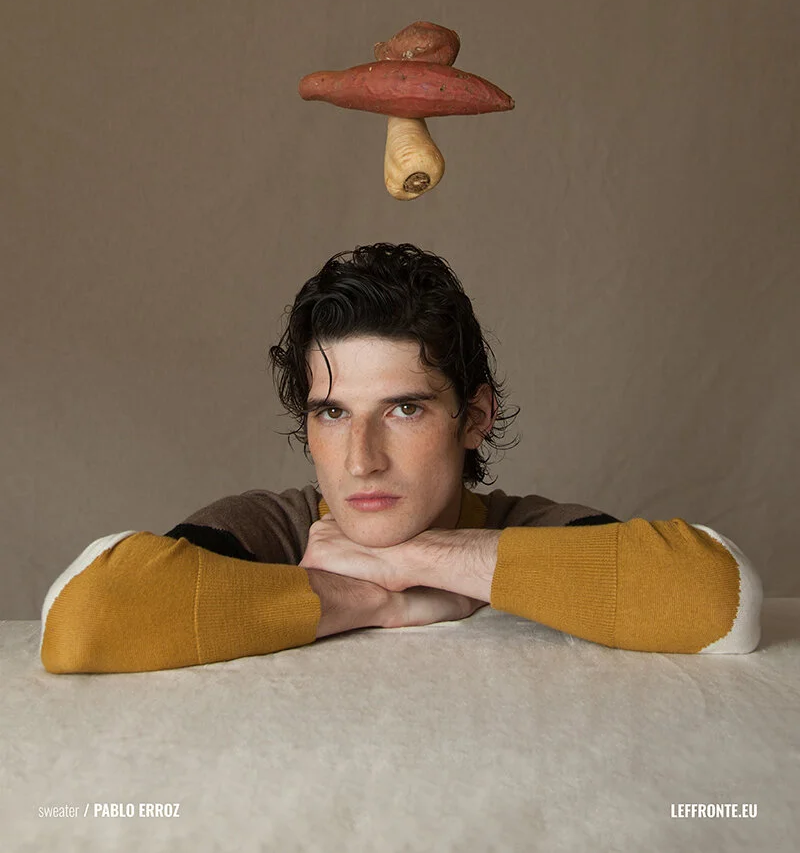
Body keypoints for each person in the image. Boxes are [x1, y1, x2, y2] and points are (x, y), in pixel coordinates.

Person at [39, 243, 762, 674]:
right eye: (333, 413)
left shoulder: (526, 532)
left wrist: (423, 558)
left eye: (403, 409)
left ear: (474, 417)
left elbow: (716, 602)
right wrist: (375, 599)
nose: (361, 460)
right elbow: (84, 618)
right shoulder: (270, 528)